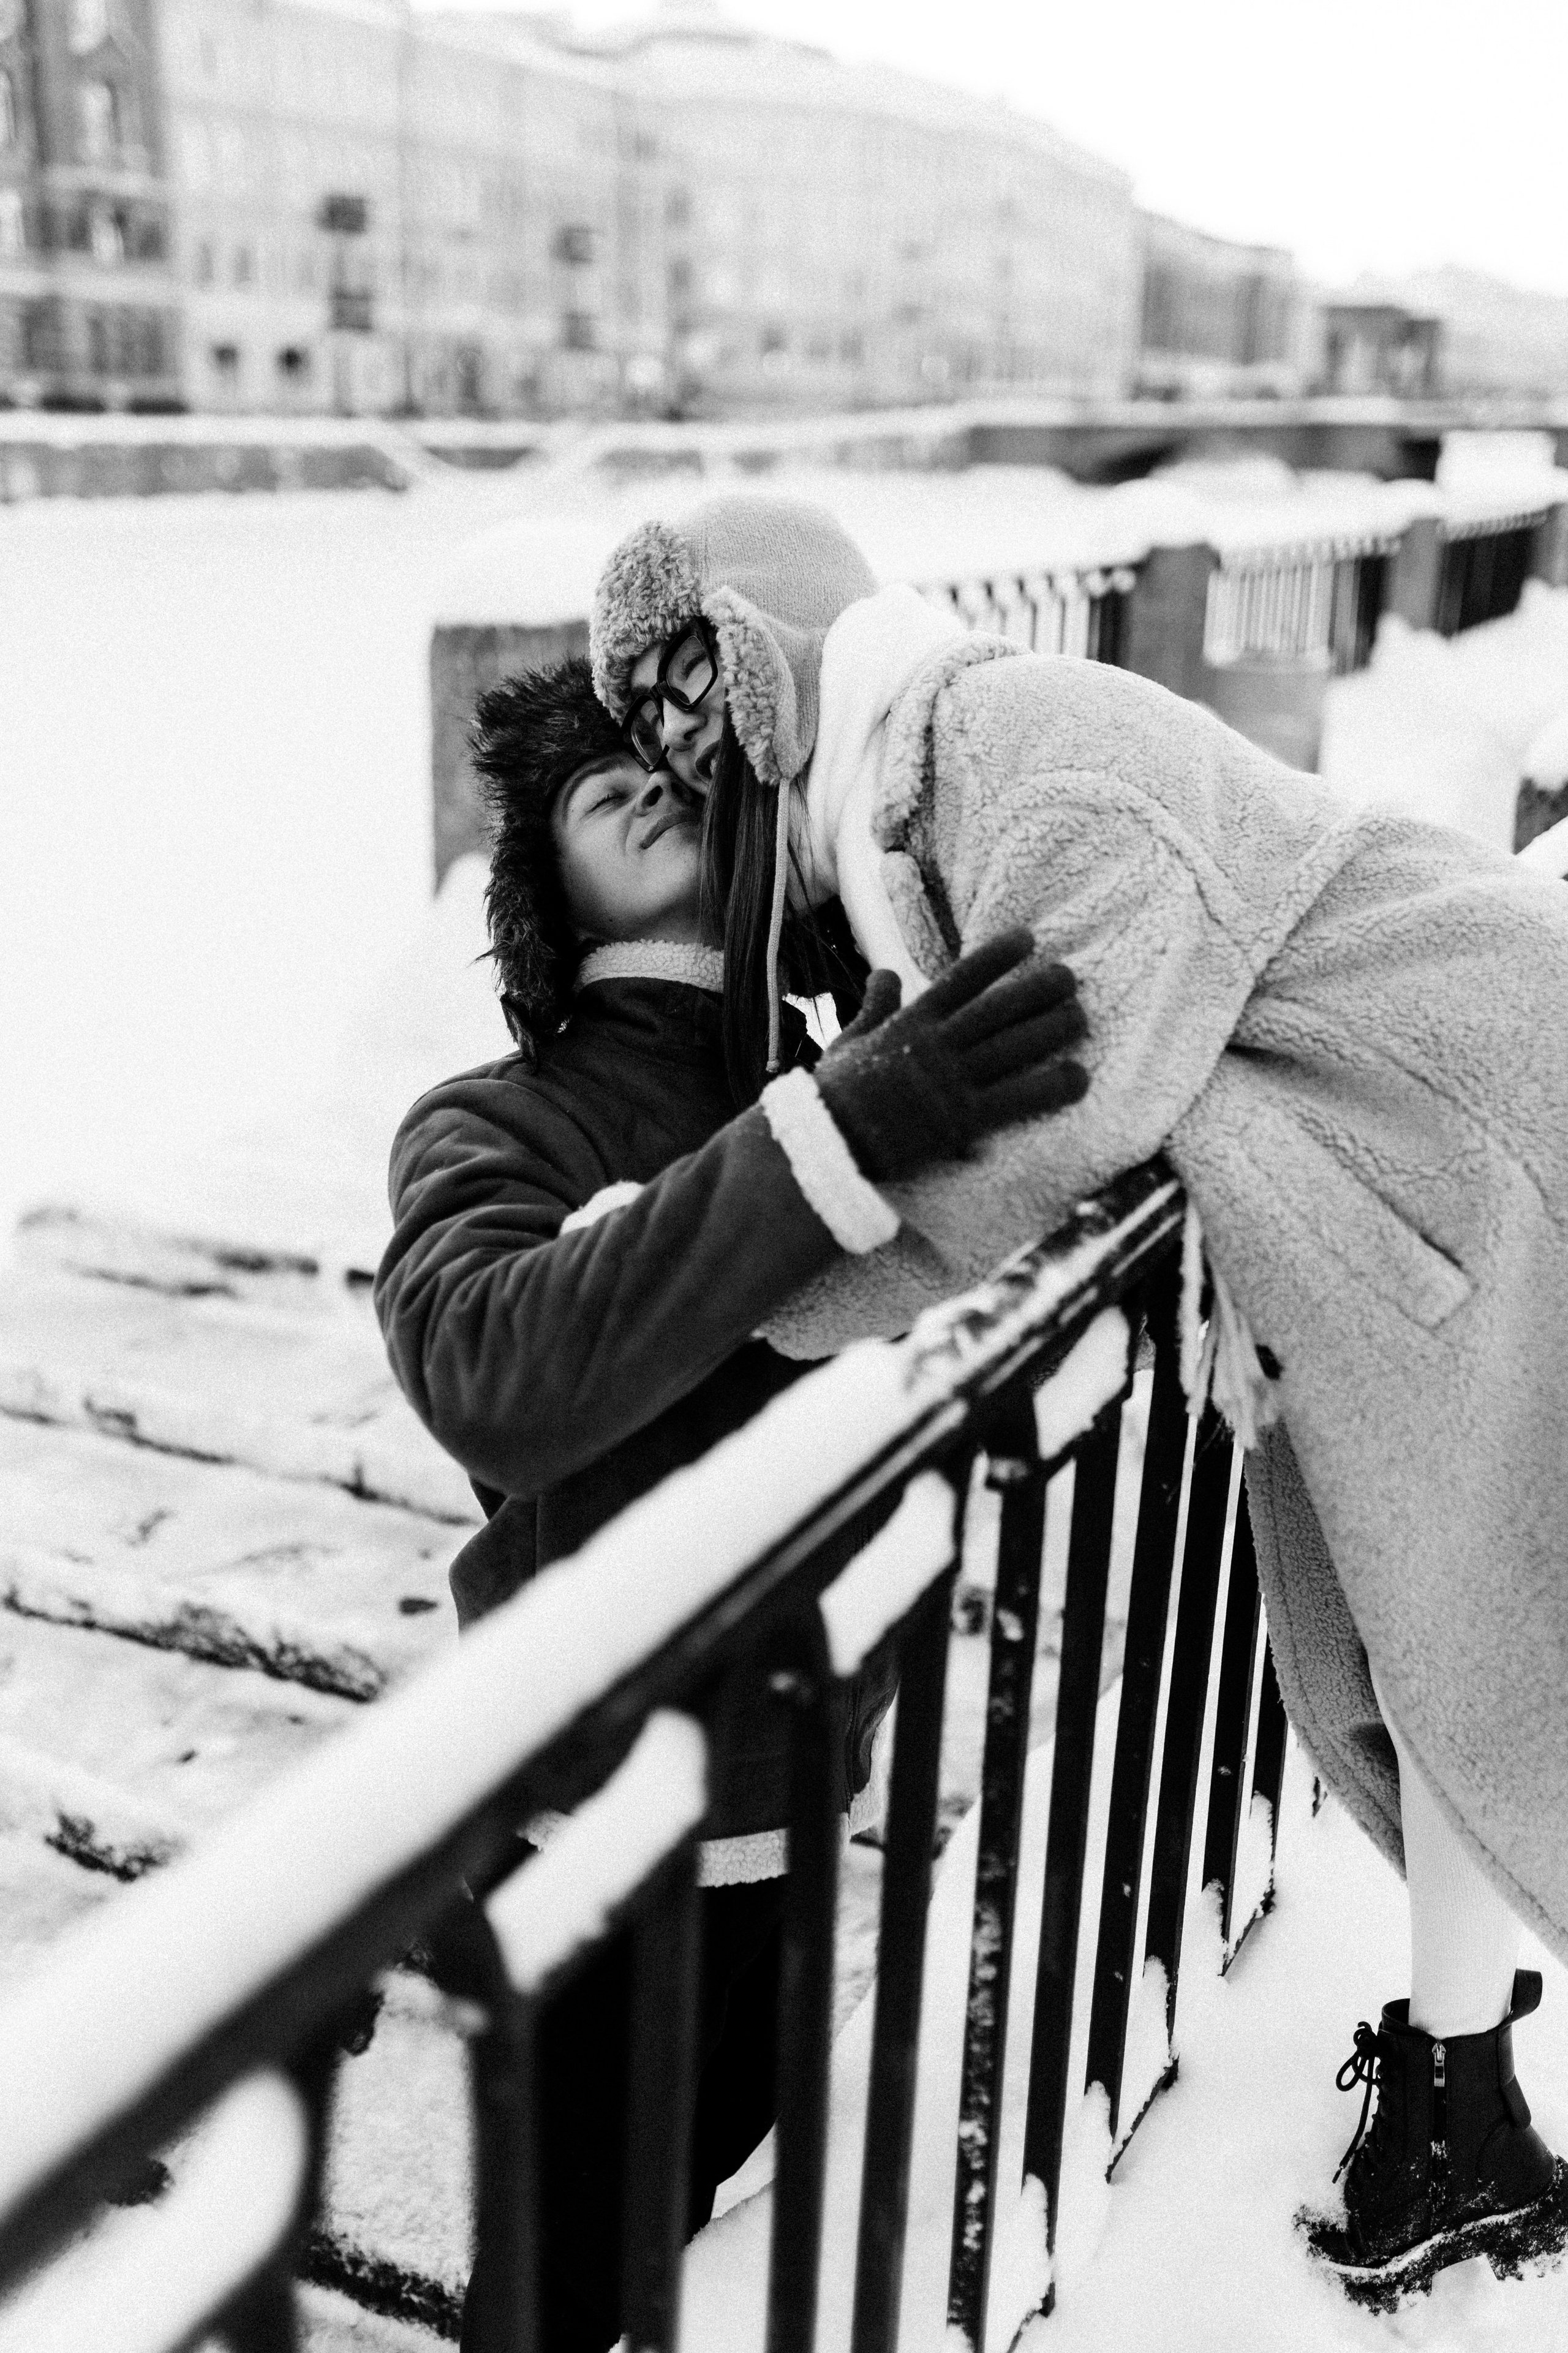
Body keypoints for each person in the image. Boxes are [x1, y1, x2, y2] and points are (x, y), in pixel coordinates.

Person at [589, 492, 1568, 2294]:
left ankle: (1465, 2098)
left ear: (774, 670)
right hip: (1409, 1164)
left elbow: (1044, 1118)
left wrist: (734, 1296)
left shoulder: (1019, 749)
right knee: (1446, 1643)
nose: (681, 770)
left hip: (1494, 1120)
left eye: (689, 713)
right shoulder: (933, 808)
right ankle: (1468, 2088)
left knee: (1475, 1638)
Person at [372, 655, 1089, 2351]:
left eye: (661, 749)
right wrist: (827, 1135)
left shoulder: (874, 1057)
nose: (629, 771)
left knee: (700, 2247)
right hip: (583, 1833)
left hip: (794, 1805)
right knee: (554, 2288)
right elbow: (489, 1364)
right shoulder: (499, 1119)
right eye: (579, 777)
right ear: (540, 885)